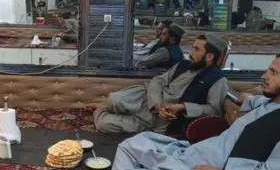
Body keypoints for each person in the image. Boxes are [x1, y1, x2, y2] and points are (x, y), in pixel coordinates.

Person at [106, 55, 280, 170]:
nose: (264, 76)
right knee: (129, 145)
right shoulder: (269, 102)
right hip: (192, 152)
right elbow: (249, 100)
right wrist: (247, 98)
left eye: (273, 72)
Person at [91, 33, 229, 134]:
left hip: (161, 118)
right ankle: (108, 106)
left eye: (196, 49)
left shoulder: (218, 80)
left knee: (104, 124)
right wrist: (156, 103)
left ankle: (101, 110)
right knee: (115, 99)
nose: (190, 52)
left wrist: (182, 107)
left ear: (209, 56)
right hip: (148, 100)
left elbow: (214, 111)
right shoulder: (183, 65)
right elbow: (158, 81)